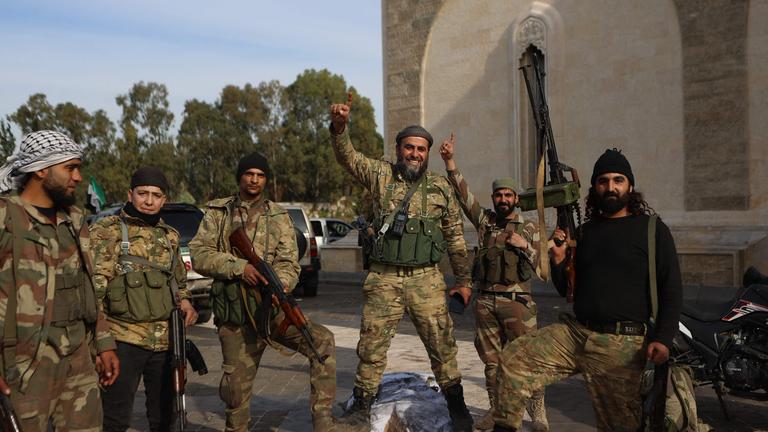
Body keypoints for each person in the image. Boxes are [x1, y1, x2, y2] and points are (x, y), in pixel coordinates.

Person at [492, 149, 683, 432]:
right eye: (603, 181)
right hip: (575, 334)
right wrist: (558, 262)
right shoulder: (585, 233)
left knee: (620, 426)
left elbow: (672, 288)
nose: (611, 187)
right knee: (514, 358)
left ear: (630, 186)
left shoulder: (652, 229)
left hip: (621, 344)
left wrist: (664, 338)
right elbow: (568, 291)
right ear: (594, 187)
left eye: (618, 180)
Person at [330, 95, 474, 431]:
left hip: (427, 280)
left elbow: (454, 237)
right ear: (398, 150)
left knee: (442, 345)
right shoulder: (380, 175)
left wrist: (464, 281)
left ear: (427, 153)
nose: (414, 154)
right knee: (372, 346)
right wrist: (340, 128)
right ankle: (361, 405)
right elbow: (348, 157)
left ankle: (457, 404)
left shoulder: (440, 187)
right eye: (409, 147)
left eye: (421, 149)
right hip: (385, 279)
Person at [189, 153, 362, 432]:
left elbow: (288, 262)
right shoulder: (218, 213)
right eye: (249, 174)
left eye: (260, 175)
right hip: (237, 315)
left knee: (322, 343)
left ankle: (323, 422)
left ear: (266, 180)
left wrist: (281, 284)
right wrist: (240, 267)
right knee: (236, 392)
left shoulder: (279, 216)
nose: (254, 179)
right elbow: (199, 254)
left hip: (272, 310)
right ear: (240, 177)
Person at [0, 130, 119, 431]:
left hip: (78, 357)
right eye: (70, 168)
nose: (78, 177)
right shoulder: (6, 218)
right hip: (24, 365)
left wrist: (104, 343)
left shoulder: (74, 220)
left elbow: (88, 285)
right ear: (41, 169)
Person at [439, 135, 548, 431]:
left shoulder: (530, 227)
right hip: (486, 303)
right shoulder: (486, 222)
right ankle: (496, 411)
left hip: (518, 305)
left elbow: (544, 270)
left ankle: (538, 413)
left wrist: (524, 245)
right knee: (491, 365)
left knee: (527, 360)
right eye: (498, 195)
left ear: (516, 198)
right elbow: (464, 197)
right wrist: (450, 162)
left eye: (508, 195)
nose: (503, 199)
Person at [90, 166, 198, 431]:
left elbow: (178, 282)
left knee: (164, 418)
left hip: (165, 343)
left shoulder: (170, 236)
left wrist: (185, 302)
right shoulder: (108, 230)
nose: (149, 201)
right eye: (143, 193)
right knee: (115, 418)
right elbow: (94, 290)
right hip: (122, 340)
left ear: (164, 199)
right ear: (130, 194)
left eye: (156, 195)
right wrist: (100, 344)